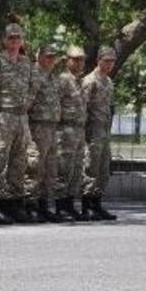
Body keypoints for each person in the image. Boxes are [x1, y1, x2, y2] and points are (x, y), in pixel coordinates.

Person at [0, 22, 35, 224]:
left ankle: (15, 204)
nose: (14, 42)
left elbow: (32, 86)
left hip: (21, 117)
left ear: (22, 40)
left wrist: (28, 103)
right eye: (11, 38)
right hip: (3, 116)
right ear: (5, 41)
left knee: (19, 161)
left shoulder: (26, 62)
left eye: (18, 38)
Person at [80, 47, 117, 221]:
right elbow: (83, 107)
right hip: (92, 128)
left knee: (103, 168)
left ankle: (97, 203)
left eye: (112, 61)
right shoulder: (90, 81)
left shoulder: (109, 82)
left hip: (104, 129)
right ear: (98, 60)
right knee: (90, 166)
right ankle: (87, 205)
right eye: (106, 60)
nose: (109, 64)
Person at [28, 44, 64, 222]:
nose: (51, 60)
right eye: (47, 56)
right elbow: (28, 102)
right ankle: (31, 206)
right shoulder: (34, 75)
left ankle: (44, 205)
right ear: (39, 57)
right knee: (36, 167)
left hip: (52, 126)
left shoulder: (52, 77)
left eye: (53, 57)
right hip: (38, 126)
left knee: (50, 169)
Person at [54, 45, 87, 221]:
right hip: (66, 130)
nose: (79, 62)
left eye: (81, 59)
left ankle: (70, 204)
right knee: (64, 169)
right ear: (67, 61)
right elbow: (56, 104)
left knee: (76, 169)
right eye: (75, 59)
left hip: (79, 130)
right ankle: (60, 206)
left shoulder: (79, 81)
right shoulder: (63, 80)